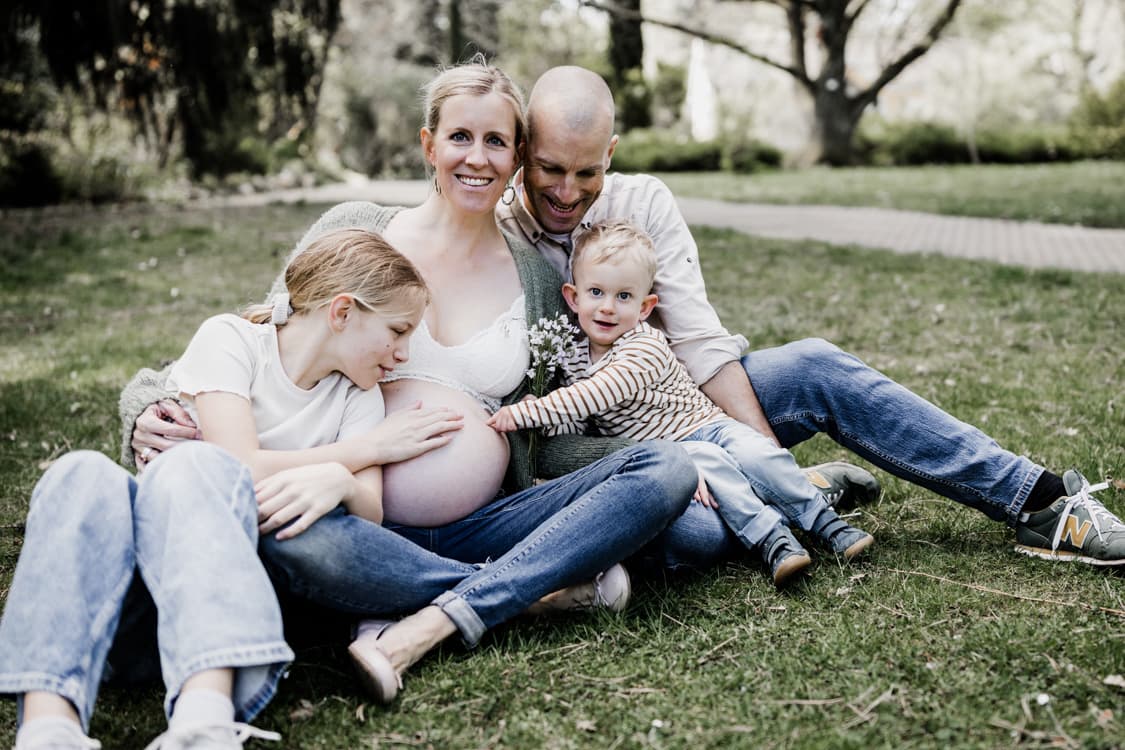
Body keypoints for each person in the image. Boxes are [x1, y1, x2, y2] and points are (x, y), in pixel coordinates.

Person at [117, 59, 698, 706]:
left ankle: (433, 601)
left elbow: (554, 428)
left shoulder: (538, 283)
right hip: (341, 512)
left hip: (480, 520)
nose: (476, 158)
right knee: (285, 528)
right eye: (459, 137)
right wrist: (147, 405)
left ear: (517, 158)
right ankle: (524, 591)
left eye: (496, 142)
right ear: (428, 144)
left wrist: (668, 460)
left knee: (666, 470)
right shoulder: (359, 230)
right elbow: (270, 335)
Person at [495, 64, 1125, 568]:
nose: (568, 192)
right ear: (524, 149)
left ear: (611, 152)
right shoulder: (494, 226)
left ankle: (1042, 502)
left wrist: (754, 453)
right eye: (550, 168)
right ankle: (794, 494)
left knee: (813, 364)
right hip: (597, 446)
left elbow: (699, 342)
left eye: (589, 172)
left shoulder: (643, 202)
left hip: (684, 409)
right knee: (696, 536)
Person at [0, 228, 446, 750]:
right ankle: (48, 728)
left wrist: (338, 479)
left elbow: (368, 511)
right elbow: (238, 463)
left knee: (194, 466)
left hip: (215, 614)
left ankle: (204, 718)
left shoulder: (356, 398)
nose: (403, 353)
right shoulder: (231, 341)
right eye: (397, 331)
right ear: (342, 312)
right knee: (82, 472)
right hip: (124, 611)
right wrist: (364, 452)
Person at [488, 220, 873, 586]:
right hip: (679, 450)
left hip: (707, 425)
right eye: (596, 293)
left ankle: (825, 524)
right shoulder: (571, 358)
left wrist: (524, 413)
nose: (607, 307)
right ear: (573, 297)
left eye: (624, 296)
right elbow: (578, 423)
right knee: (717, 472)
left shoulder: (644, 346)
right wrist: (549, 425)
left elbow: (594, 395)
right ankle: (773, 539)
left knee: (759, 456)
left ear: (644, 307)